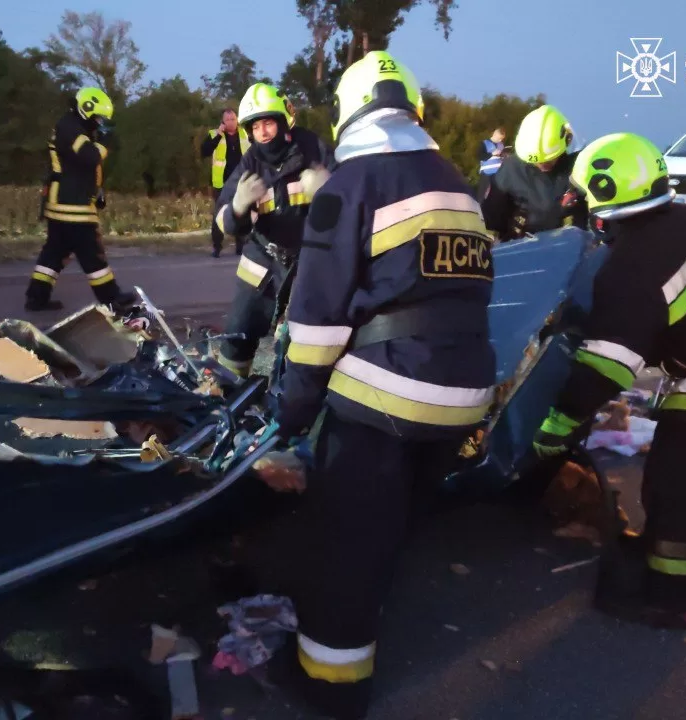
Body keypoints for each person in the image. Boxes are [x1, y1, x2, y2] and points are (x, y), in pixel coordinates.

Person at [272, 50, 497, 719]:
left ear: (348, 112)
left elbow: (316, 320)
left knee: (346, 542)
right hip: (463, 394)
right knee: (393, 524)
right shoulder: (458, 183)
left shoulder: (350, 183)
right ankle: (368, 618)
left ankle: (329, 685)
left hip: (383, 394)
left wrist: (293, 407)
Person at [532, 132, 686, 629]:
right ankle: (662, 559)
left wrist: (557, 426)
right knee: (676, 483)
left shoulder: (631, 266)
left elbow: (608, 368)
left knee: (674, 490)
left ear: (606, 194)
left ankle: (678, 597)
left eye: (586, 195)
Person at [213, 83, 337, 380]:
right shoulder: (250, 161)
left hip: (306, 263)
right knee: (237, 335)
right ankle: (228, 395)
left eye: (268, 122)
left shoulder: (312, 148)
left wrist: (330, 191)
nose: (264, 133)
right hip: (261, 261)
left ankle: (291, 402)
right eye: (256, 127)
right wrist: (238, 208)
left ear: (284, 121)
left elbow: (351, 199)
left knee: (304, 343)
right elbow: (221, 220)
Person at [26, 87, 136, 312]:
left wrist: (98, 191)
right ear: (86, 109)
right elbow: (90, 157)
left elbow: (80, 168)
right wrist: (106, 142)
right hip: (72, 205)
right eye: (97, 117)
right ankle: (111, 298)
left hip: (65, 201)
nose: (99, 122)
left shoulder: (71, 126)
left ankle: (36, 298)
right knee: (91, 252)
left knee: (54, 253)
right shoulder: (70, 128)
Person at [481, 104, 587, 241]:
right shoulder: (511, 171)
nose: (541, 164)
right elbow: (491, 219)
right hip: (522, 252)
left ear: (567, 141)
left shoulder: (580, 167)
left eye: (548, 160)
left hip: (574, 252)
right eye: (537, 162)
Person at [201, 108, 251, 257]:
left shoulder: (245, 134)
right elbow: (204, 151)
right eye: (227, 120)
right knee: (219, 216)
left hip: (241, 181)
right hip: (221, 184)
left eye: (233, 119)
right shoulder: (214, 134)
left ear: (237, 120)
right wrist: (218, 134)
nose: (231, 122)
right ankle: (217, 247)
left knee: (241, 214)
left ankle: (240, 246)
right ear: (223, 122)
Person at [474, 126, 507, 201]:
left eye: (502, 139)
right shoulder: (484, 143)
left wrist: (504, 156)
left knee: (496, 194)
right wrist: (492, 154)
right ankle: (479, 208)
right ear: (494, 134)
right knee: (482, 193)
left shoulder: (501, 145)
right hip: (487, 172)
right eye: (499, 138)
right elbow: (480, 156)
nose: (500, 140)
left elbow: (500, 157)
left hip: (498, 173)